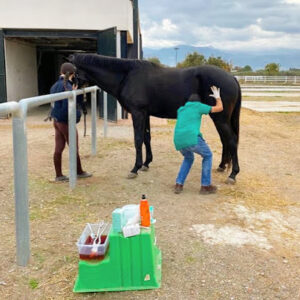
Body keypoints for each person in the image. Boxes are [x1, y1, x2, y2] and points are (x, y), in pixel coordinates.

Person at [173, 86, 223, 194]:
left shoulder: (181, 109)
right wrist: (217, 97)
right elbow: (219, 108)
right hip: (192, 138)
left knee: (188, 158)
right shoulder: (198, 106)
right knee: (208, 155)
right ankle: (205, 186)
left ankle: (179, 184)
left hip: (178, 140)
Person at [50, 62, 92, 182]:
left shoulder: (55, 86)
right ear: (72, 74)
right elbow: (67, 108)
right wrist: (77, 116)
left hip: (56, 121)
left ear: (61, 72)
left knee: (59, 148)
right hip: (65, 122)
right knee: (74, 146)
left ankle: (59, 175)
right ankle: (79, 171)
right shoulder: (66, 87)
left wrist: (75, 93)